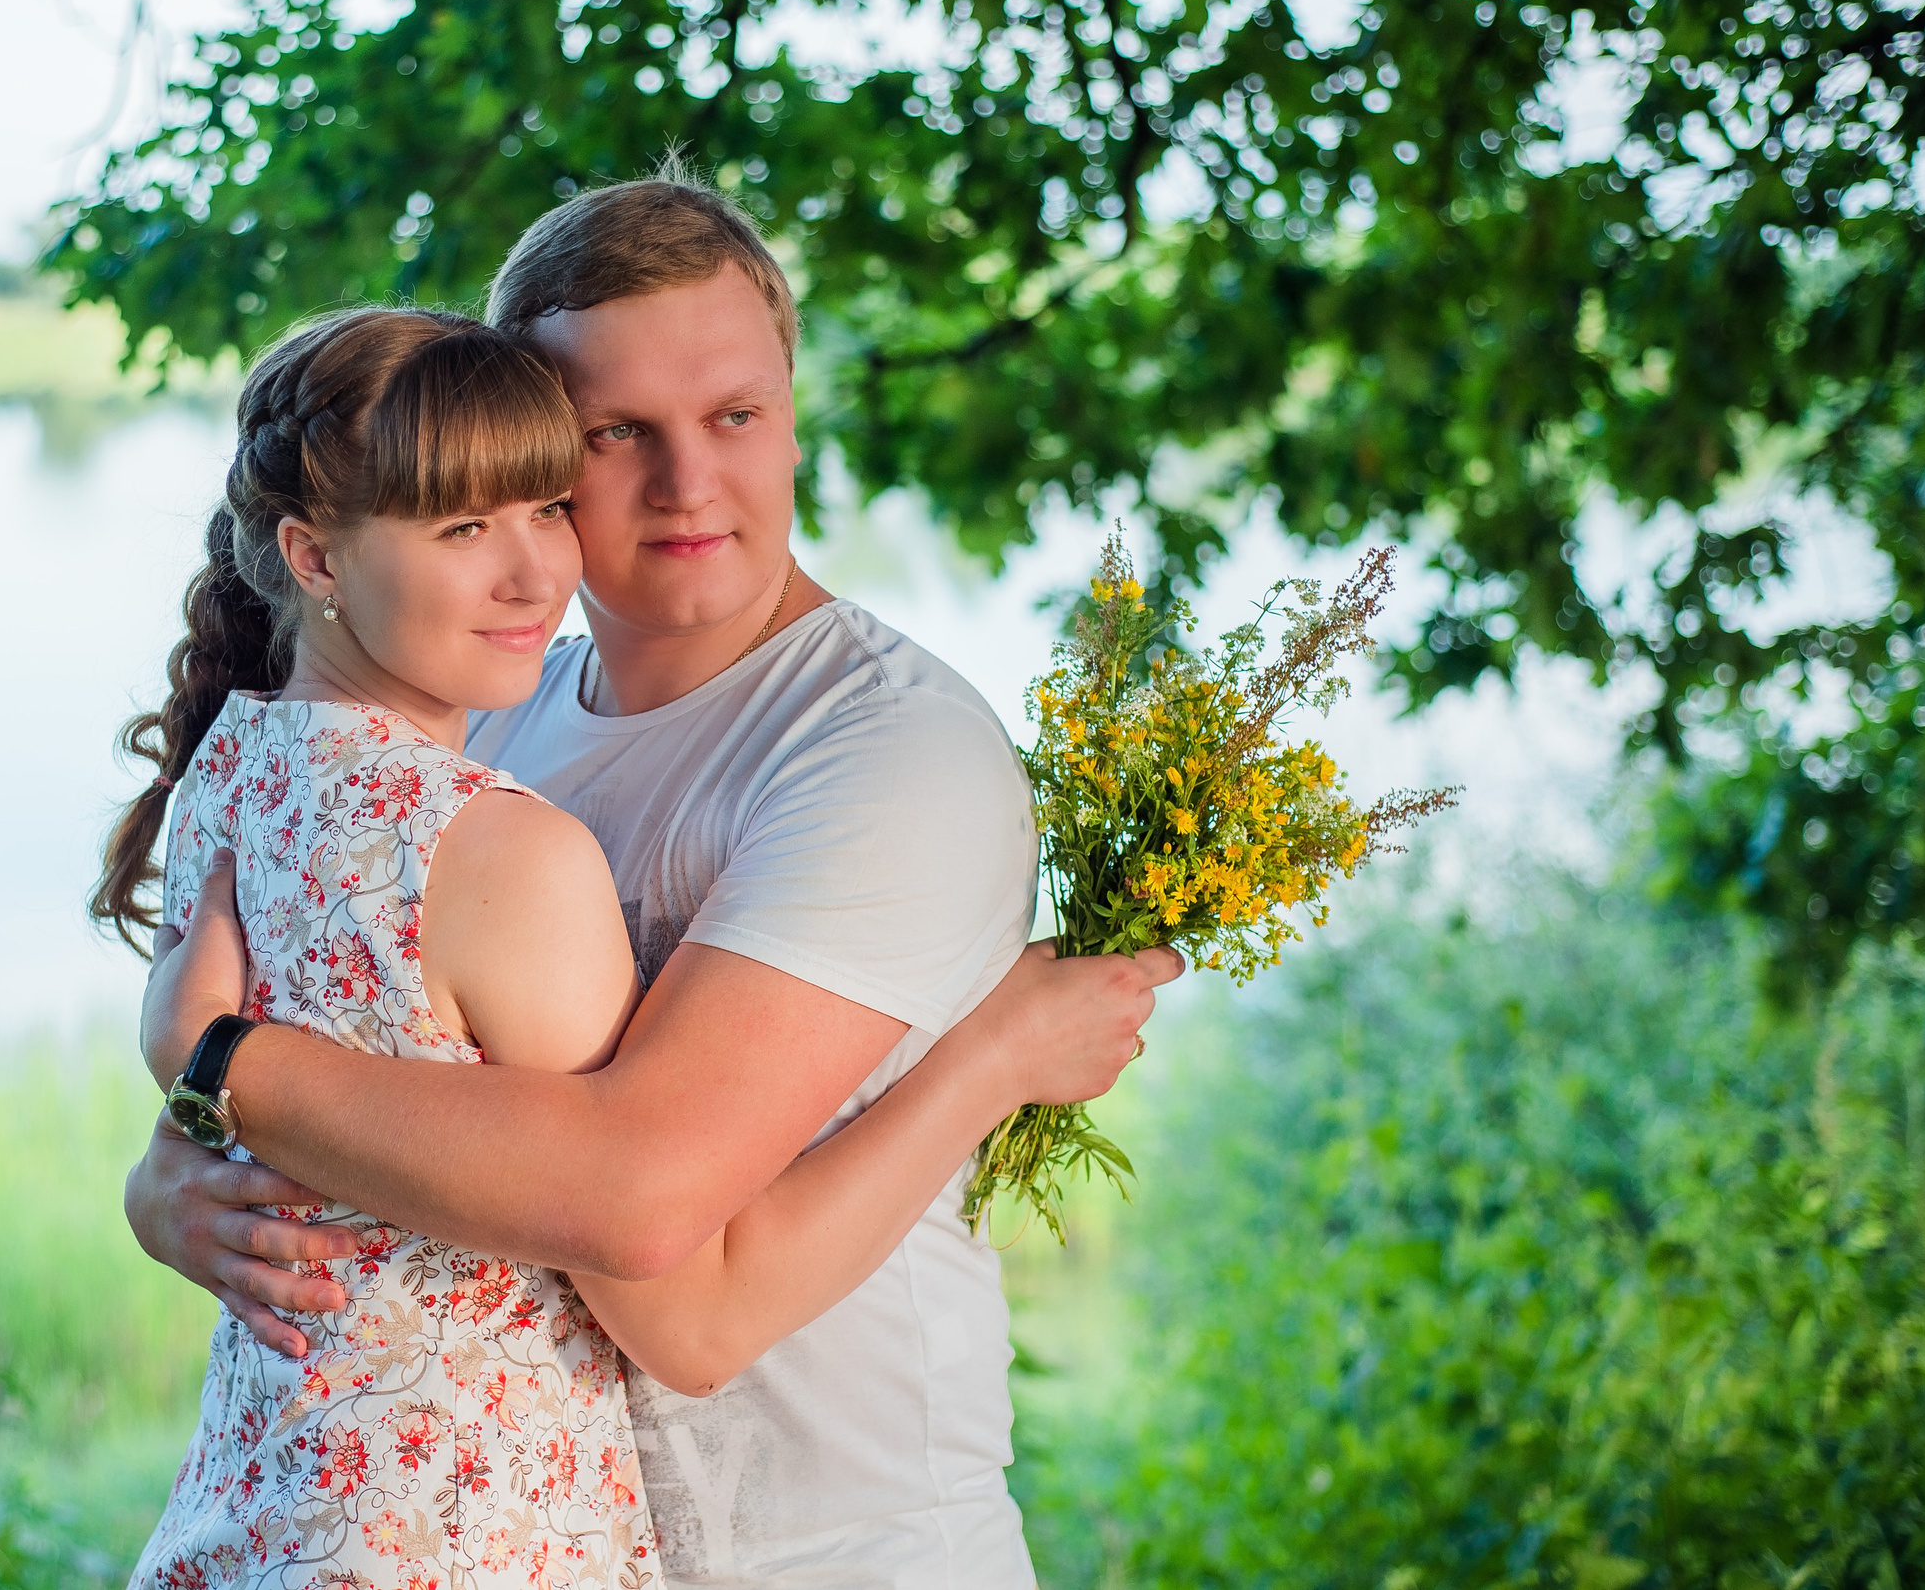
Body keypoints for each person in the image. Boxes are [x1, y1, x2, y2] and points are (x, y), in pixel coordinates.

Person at [117, 174, 1181, 1589]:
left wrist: (221, 1062)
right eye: (617, 432)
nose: (688, 481)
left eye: (733, 415)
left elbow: (657, 1241)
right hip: (526, 1539)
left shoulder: (885, 747)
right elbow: (362, 1057)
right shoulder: (483, 723)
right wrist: (180, 1165)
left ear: (791, 417)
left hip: (835, 1555)